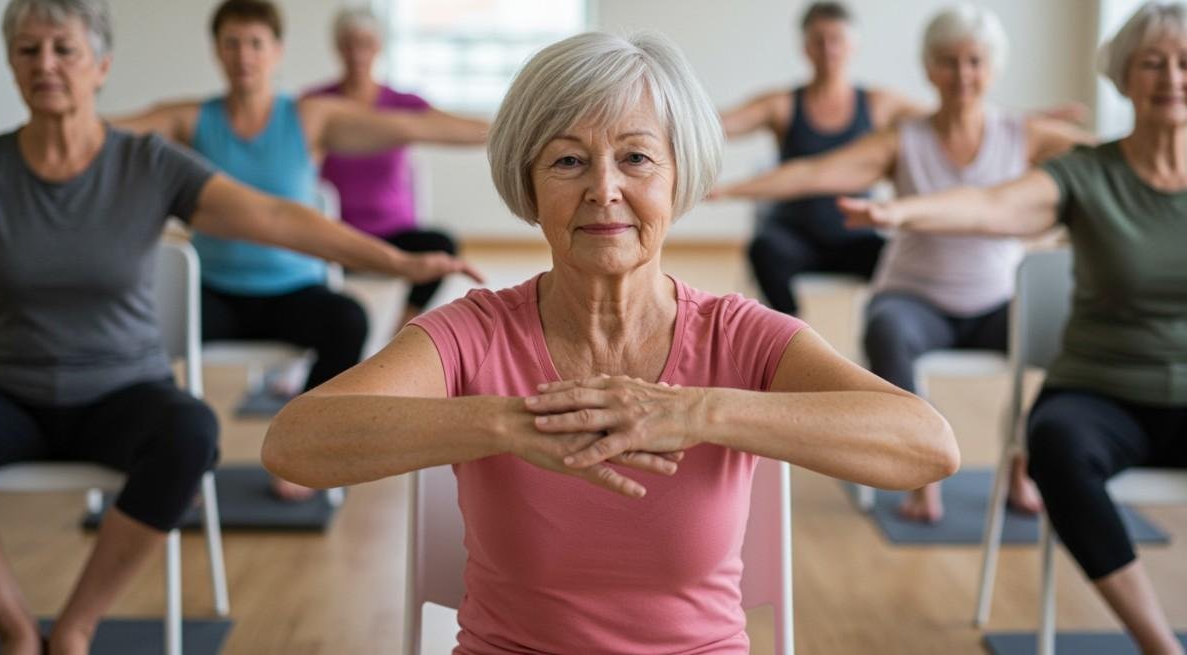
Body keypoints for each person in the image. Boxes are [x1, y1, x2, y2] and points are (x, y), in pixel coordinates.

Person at [262, 30, 958, 654]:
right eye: (568, 160)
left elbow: (927, 445)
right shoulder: (474, 333)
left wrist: (698, 411)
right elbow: (294, 443)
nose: (604, 188)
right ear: (529, 185)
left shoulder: (739, 335)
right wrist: (504, 423)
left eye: (636, 157)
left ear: (679, 176)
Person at [0, 2, 481, 653]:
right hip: (11, 390)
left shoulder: (150, 162)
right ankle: (16, 628)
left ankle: (77, 625)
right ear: (9, 63)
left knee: (191, 431)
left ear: (101, 66)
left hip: (123, 388)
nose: (46, 64)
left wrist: (397, 260)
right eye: (29, 50)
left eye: (64, 50)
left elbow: (278, 217)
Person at [838, 3, 1187, 651]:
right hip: (1102, 390)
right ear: (1125, 75)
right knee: (1055, 440)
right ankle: (1159, 644)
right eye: (1153, 62)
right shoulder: (1086, 173)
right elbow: (988, 203)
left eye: (1185, 63)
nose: (1171, 77)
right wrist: (902, 211)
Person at [713, 3, 1093, 523]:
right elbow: (814, 172)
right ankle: (921, 476)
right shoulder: (903, 138)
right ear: (929, 67)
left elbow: (1112, 158)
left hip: (997, 303)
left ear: (993, 68)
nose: (962, 74)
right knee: (886, 329)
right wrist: (732, 189)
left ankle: (1020, 463)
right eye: (949, 61)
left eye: (975, 62)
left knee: (1073, 343)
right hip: (915, 301)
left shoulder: (1022, 134)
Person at [112, 0, 488, 500]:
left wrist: (516, 129)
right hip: (214, 293)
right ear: (217, 51)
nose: (244, 55)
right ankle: (147, 452)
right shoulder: (191, 119)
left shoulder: (308, 118)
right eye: (232, 43)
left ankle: (308, 449)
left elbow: (414, 126)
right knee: (134, 327)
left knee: (346, 321)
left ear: (277, 51)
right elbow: (106, 134)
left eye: (255, 43)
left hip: (293, 292)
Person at [720, 1, 927, 316]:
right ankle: (792, 333)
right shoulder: (783, 104)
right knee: (763, 249)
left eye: (836, 40)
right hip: (795, 238)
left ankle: (880, 329)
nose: (829, 49)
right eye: (819, 40)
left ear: (853, 46)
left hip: (855, 239)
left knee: (898, 257)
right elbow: (719, 125)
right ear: (806, 47)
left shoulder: (879, 104)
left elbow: (937, 125)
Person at [305, 7, 489, 332]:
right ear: (337, 47)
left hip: (394, 235)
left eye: (365, 43)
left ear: (379, 46)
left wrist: (515, 129)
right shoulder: (316, 103)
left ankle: (400, 332)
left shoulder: (402, 104)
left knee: (441, 244)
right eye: (348, 44)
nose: (356, 53)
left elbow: (452, 126)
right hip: (337, 235)